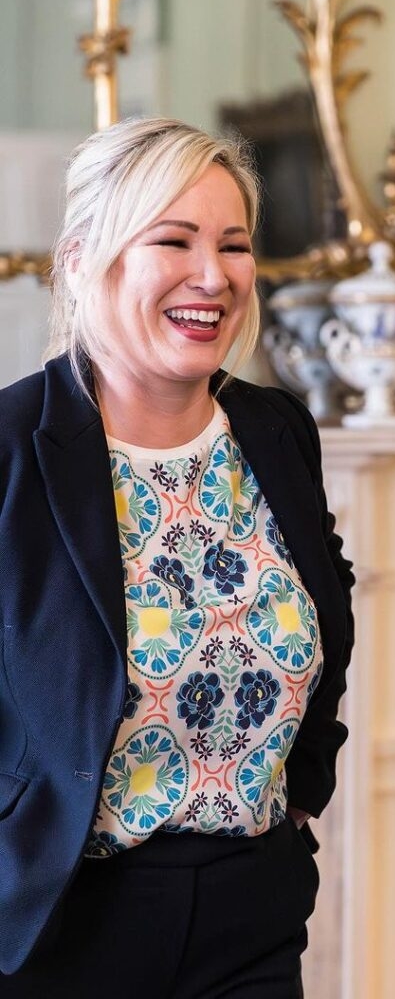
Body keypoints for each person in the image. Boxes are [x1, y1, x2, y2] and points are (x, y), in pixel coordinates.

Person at [0, 117, 354, 996]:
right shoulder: (8, 449)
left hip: (253, 917)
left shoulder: (277, 432)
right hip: (55, 926)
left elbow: (329, 615)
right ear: (85, 259)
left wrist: (306, 780)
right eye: (175, 240)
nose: (213, 275)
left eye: (233, 245)